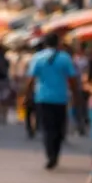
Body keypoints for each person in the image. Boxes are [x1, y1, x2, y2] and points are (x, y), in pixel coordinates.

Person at [25, 32, 78, 169]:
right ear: (58, 43)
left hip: (42, 97)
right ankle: (55, 154)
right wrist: (76, 94)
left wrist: (27, 95)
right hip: (60, 98)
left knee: (47, 128)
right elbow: (72, 79)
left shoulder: (37, 58)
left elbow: (31, 79)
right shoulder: (65, 58)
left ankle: (50, 155)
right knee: (59, 127)